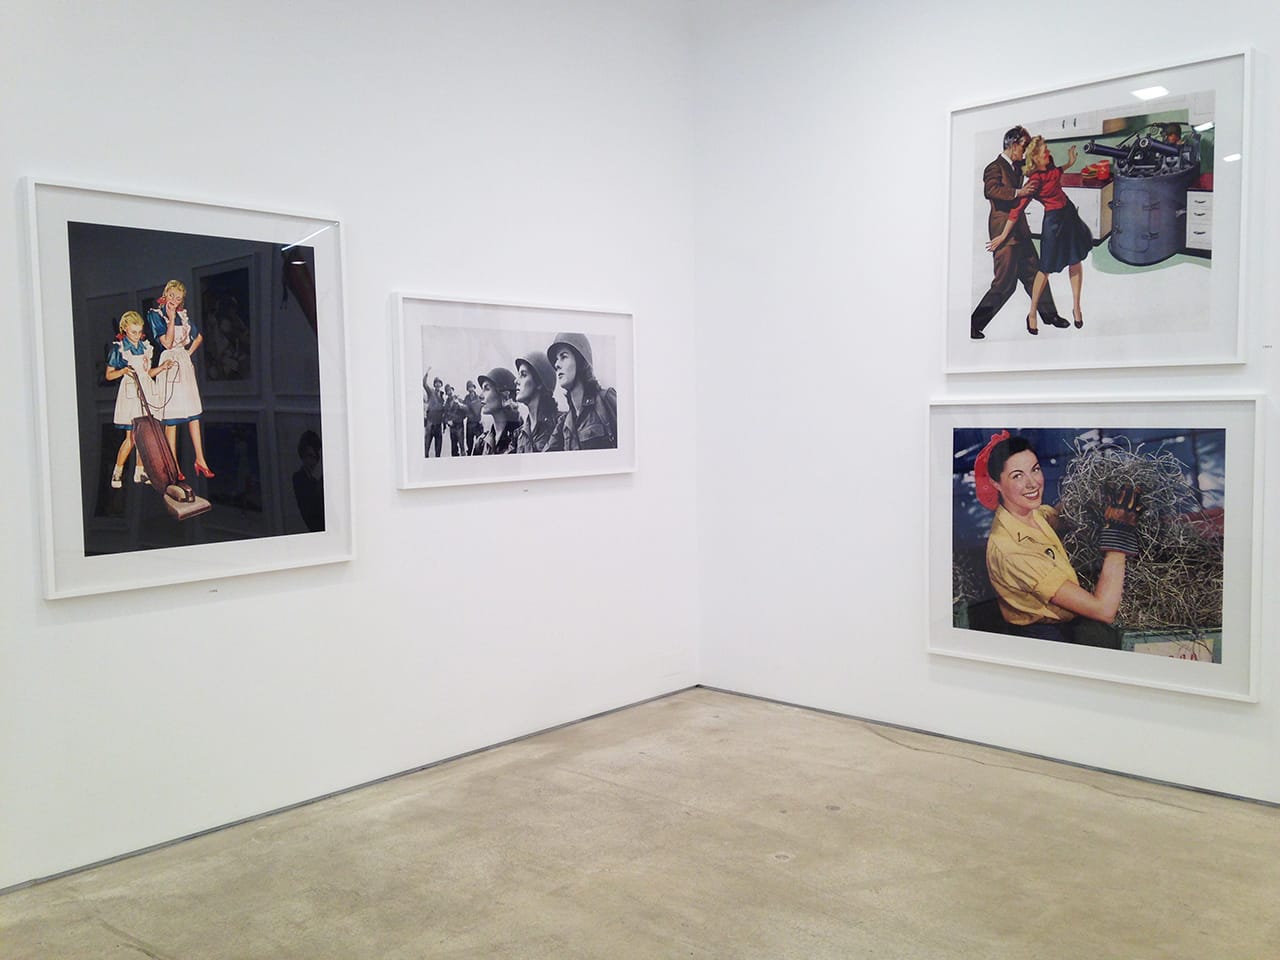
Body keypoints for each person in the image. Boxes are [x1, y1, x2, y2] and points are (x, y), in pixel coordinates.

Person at [976, 431, 1141, 648]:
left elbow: (1059, 517)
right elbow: (1103, 610)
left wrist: (1092, 495)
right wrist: (1118, 535)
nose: (1032, 483)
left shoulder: (1032, 513)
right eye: (1017, 476)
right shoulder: (1012, 551)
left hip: (1067, 627)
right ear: (996, 483)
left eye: (1035, 470)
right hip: (1041, 640)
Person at [969, 126, 1068, 340]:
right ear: (1013, 146)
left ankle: (1050, 316)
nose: (1024, 153)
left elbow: (1036, 162)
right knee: (1005, 283)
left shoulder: (1017, 164)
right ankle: (973, 324)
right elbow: (991, 190)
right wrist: (1018, 192)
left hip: (1020, 229)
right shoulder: (994, 167)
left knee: (1035, 273)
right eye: (1023, 147)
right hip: (1003, 232)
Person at [987, 136, 1093, 334]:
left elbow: (1057, 172)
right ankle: (1032, 312)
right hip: (1053, 222)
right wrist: (1002, 236)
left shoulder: (1051, 166)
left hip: (1069, 214)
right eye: (1045, 152)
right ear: (1035, 158)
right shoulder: (1034, 181)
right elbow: (1016, 211)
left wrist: (1070, 162)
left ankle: (1076, 307)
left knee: (1076, 260)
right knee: (1045, 269)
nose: (1049, 153)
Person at [146, 280, 214, 478]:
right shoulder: (156, 315)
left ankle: (200, 459)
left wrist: (186, 354)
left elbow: (199, 337)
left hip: (183, 363)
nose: (174, 300)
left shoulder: (184, 317)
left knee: (192, 412)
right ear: (165, 294)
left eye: (178, 298)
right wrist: (171, 317)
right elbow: (166, 343)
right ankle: (173, 464)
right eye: (172, 295)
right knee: (172, 418)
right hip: (168, 364)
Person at [104, 311, 175, 488]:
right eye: (133, 332)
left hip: (146, 390)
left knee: (144, 436)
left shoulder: (145, 347)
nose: (137, 335)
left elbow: (147, 373)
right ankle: (117, 472)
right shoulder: (119, 348)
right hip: (130, 393)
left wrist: (162, 367)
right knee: (132, 437)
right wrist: (123, 371)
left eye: (139, 332)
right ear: (125, 329)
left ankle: (140, 472)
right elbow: (109, 375)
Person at [544, 333, 618, 451]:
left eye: (563, 356)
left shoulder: (606, 399)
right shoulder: (564, 422)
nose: (557, 364)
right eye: (556, 360)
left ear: (580, 361)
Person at [513, 352, 559, 454]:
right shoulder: (518, 434)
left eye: (523, 375)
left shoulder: (560, 423)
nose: (516, 381)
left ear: (539, 383)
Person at [471, 367, 520, 455]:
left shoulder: (521, 440)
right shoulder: (481, 443)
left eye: (487, 389)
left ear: (505, 395)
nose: (480, 396)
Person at [291, 430, 325, 532]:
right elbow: (310, 512)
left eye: (315, 457)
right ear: (303, 455)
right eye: (309, 456)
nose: (312, 462)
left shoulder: (314, 481)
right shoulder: (298, 478)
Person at [422, 372, 445, 457]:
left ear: (441, 385)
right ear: (434, 385)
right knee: (426, 447)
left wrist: (445, 425)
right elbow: (424, 384)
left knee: (438, 450)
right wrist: (427, 373)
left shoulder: (443, 396)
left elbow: (444, 411)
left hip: (438, 425)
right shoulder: (430, 392)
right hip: (430, 424)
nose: (438, 384)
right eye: (436, 383)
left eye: (439, 383)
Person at [443, 384, 467, 457]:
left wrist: (460, 405)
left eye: (450, 390)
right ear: (446, 393)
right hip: (452, 428)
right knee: (453, 448)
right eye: (447, 391)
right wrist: (447, 421)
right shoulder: (446, 403)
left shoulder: (459, 399)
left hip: (459, 426)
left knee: (462, 447)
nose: (449, 392)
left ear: (453, 390)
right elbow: (444, 416)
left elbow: (466, 409)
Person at [462, 381, 483, 456]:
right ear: (467, 389)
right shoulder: (466, 398)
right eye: (469, 387)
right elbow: (464, 409)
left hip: (477, 423)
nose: (470, 389)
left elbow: (481, 407)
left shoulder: (479, 398)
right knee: (469, 442)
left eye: (472, 387)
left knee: (479, 443)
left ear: (474, 388)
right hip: (470, 423)